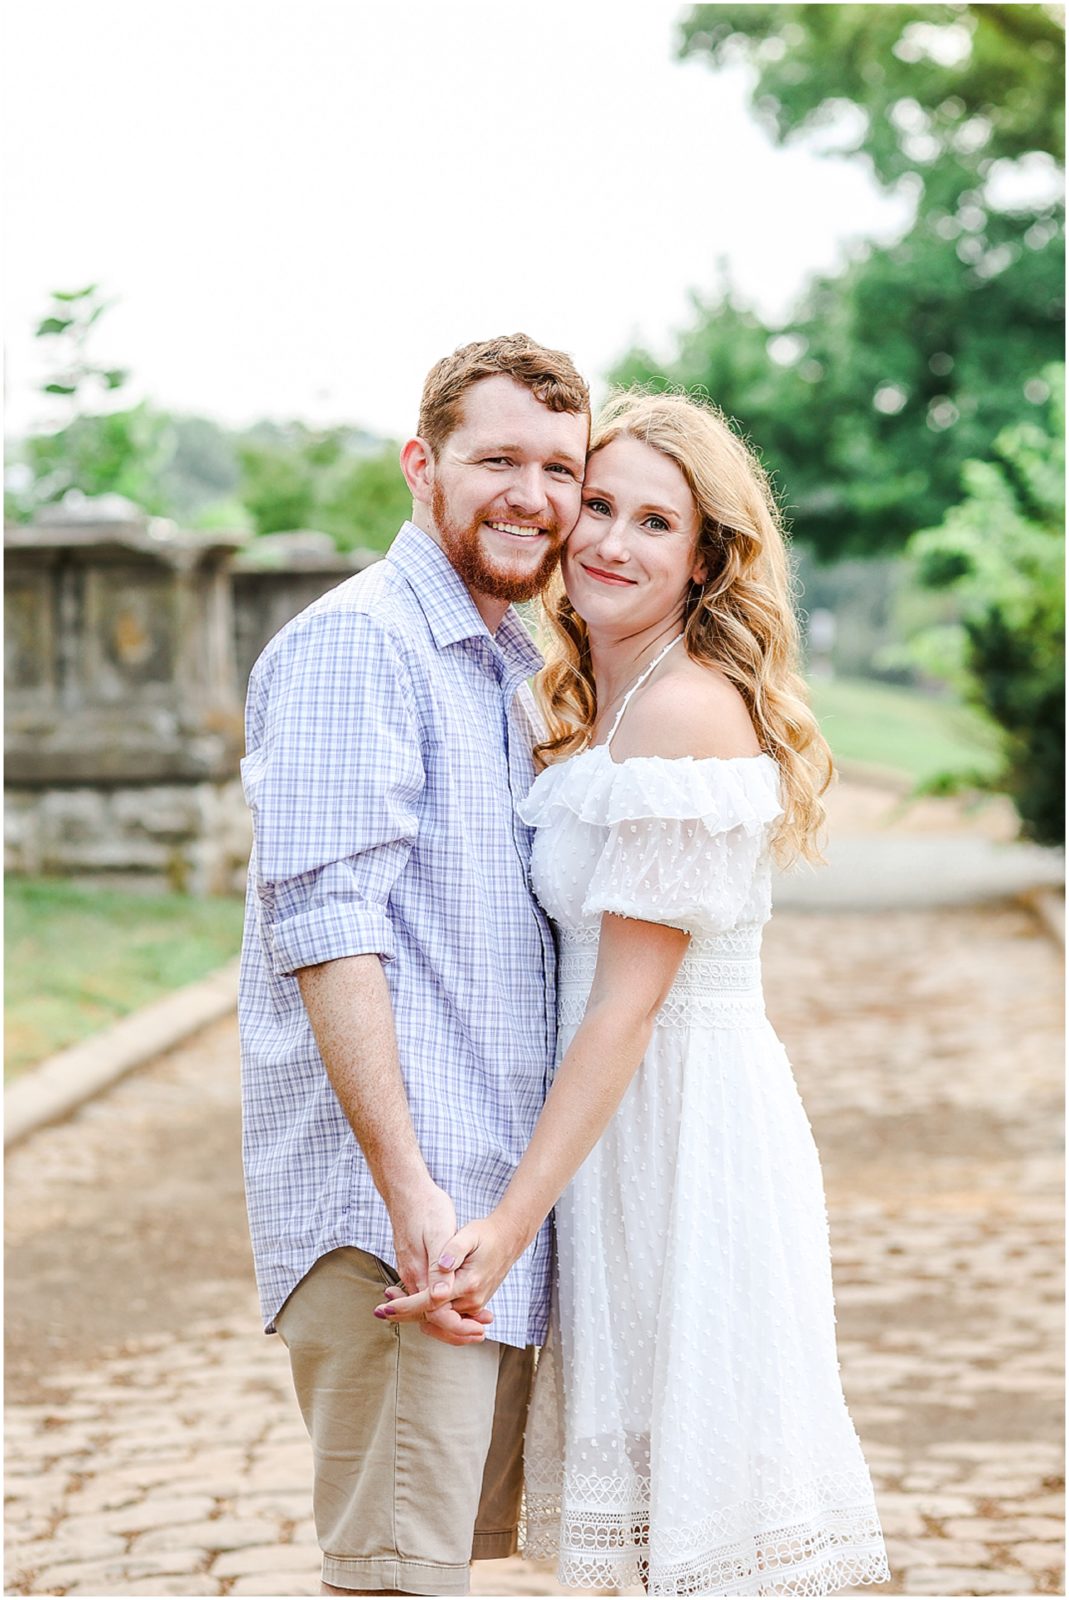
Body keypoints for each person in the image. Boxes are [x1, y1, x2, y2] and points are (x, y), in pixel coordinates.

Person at [380, 390, 892, 1596]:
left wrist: (502, 1225)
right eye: (595, 504)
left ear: (707, 555)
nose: (608, 540)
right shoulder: (593, 699)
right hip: (613, 1129)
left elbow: (623, 1004)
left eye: (654, 522)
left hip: (680, 1128)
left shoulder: (681, 708)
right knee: (655, 1520)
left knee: (705, 1514)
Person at [237, 333, 590, 1596]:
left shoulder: (508, 662)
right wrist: (410, 1196)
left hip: (480, 1211)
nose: (532, 495)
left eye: (561, 465)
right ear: (419, 464)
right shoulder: (361, 645)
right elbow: (327, 931)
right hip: (409, 1224)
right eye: (497, 456)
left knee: (438, 1564)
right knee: (397, 1576)